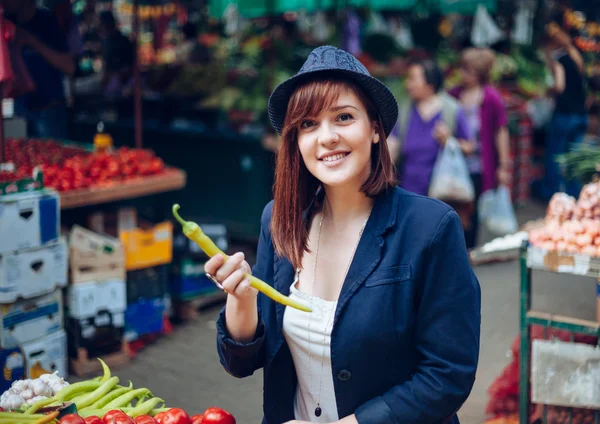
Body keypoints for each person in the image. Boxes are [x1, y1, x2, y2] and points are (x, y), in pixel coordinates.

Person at [206, 46, 481, 424]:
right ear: (295, 141)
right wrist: (241, 300)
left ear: (375, 129)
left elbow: (448, 374)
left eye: (344, 117)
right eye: (308, 124)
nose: (326, 137)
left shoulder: (430, 228)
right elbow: (243, 362)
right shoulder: (279, 221)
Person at [448, 48, 510, 249]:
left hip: (479, 165)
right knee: (453, 205)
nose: (463, 75)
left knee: (471, 210)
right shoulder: (454, 94)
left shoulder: (491, 98)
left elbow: (500, 131)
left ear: (480, 74)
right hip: (455, 162)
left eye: (469, 71)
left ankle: (469, 251)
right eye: (463, 69)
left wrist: (503, 165)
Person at [387, 59, 473, 198]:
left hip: (441, 192)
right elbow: (393, 143)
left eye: (412, 79)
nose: (408, 84)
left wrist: (448, 141)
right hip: (408, 191)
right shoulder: (405, 111)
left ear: (430, 85)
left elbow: (469, 146)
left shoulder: (451, 110)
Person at [3, 0, 75, 138]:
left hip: (49, 110)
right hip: (18, 110)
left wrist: (31, 41)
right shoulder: (7, 23)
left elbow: (69, 67)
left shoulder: (47, 22)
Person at [539, 25, 587, 200]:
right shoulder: (576, 57)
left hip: (564, 115)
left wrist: (547, 91)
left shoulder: (559, 59)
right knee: (573, 158)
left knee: (555, 156)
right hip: (581, 114)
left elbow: (559, 86)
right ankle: (573, 194)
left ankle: (552, 195)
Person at [97, 11, 134, 97]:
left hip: (120, 84)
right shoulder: (111, 40)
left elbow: (116, 69)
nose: (99, 26)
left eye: (100, 23)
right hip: (117, 82)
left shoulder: (116, 42)